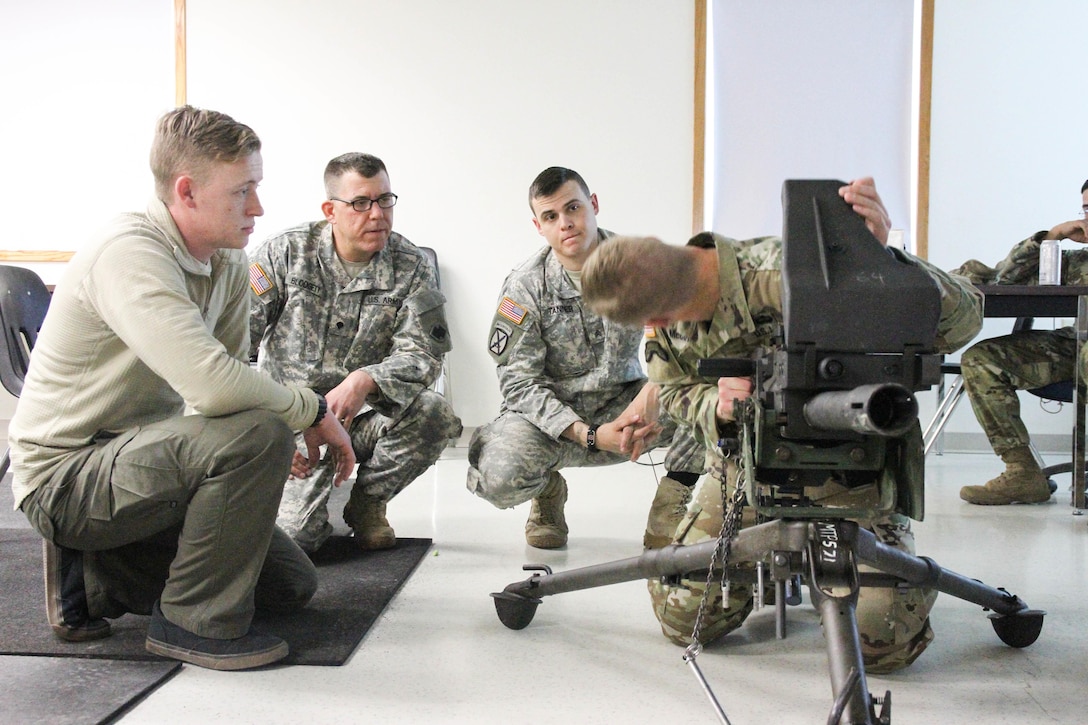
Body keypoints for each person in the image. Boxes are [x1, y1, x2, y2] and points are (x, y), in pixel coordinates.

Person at [581, 178, 984, 673]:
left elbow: (966, 321)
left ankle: (829, 577)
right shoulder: (669, 321)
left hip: (857, 471)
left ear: (659, 311)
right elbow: (674, 390)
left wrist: (886, 264)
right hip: (743, 470)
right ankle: (758, 574)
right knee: (684, 619)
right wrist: (717, 405)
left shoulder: (796, 270)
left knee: (883, 645)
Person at [8, 106, 356, 671]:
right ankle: (193, 626)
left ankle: (98, 576)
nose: (258, 208)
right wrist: (308, 411)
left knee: (288, 588)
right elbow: (215, 386)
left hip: (140, 464)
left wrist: (247, 448)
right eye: (243, 191)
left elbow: (217, 382)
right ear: (188, 192)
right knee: (262, 430)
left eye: (257, 188)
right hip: (66, 477)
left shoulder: (227, 261)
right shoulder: (129, 252)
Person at [466, 166, 706, 550]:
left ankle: (670, 507)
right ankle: (546, 493)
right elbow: (520, 384)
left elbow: (687, 347)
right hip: (550, 420)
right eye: (551, 216)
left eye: (573, 208)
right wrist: (588, 434)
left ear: (593, 205)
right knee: (499, 476)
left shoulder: (639, 264)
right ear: (538, 226)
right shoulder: (525, 285)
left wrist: (651, 398)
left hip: (624, 406)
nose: (565, 223)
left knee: (708, 412)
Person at [249, 152, 462, 554]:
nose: (378, 214)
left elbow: (423, 354)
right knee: (294, 543)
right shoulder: (285, 254)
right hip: (291, 422)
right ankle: (307, 493)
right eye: (361, 203)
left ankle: (366, 503)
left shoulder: (411, 265)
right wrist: (267, 432)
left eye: (385, 200)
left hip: (359, 418)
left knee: (434, 414)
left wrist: (365, 380)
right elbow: (232, 347)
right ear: (330, 210)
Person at [952, 179, 1088, 505]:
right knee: (983, 359)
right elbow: (1005, 278)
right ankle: (1022, 473)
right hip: (1077, 343)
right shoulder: (1077, 262)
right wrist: (1050, 237)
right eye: (1087, 210)